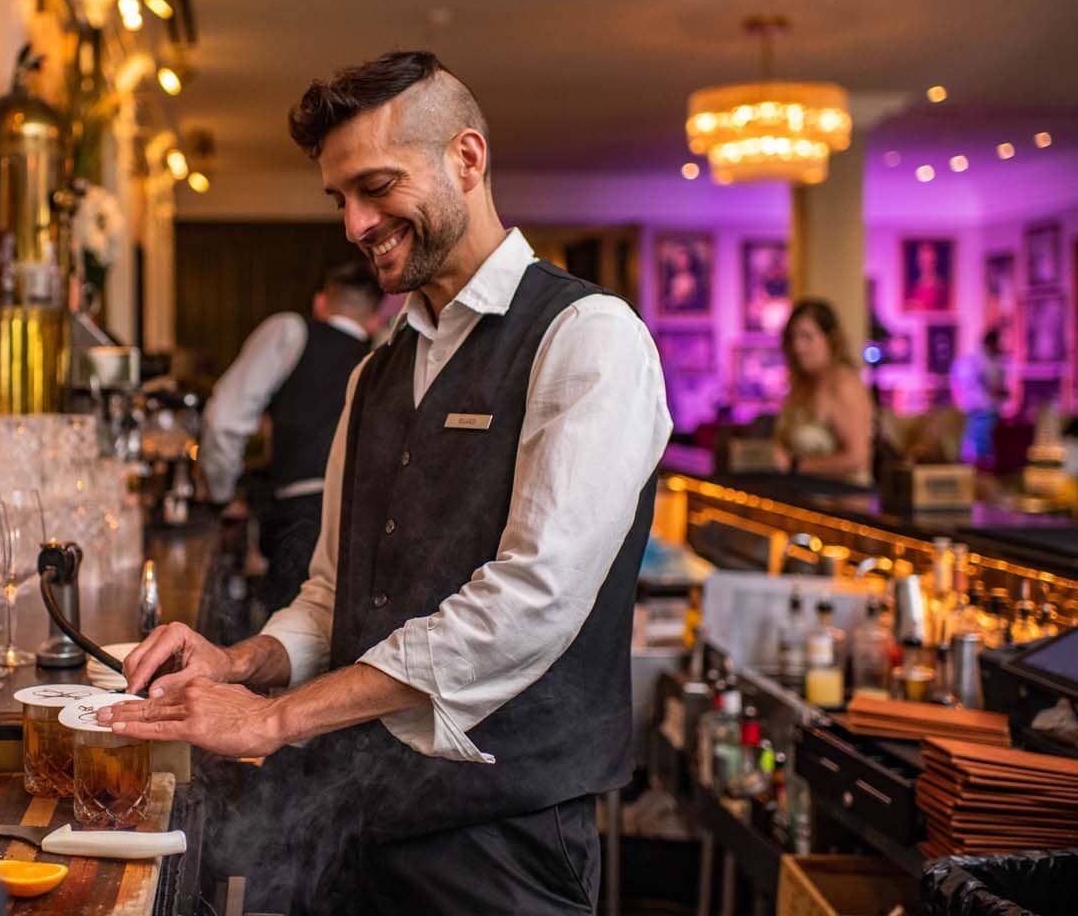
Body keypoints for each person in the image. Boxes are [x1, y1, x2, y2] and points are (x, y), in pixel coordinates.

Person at [99, 50, 671, 914]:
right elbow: (334, 595)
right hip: (352, 819)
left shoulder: (589, 337)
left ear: (467, 158)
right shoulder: (375, 372)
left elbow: (532, 599)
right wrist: (243, 661)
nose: (355, 224)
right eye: (340, 199)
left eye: (376, 187)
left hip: (501, 841)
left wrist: (276, 717)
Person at [199, 259, 384, 612]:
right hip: (367, 525)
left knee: (288, 637)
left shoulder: (291, 331)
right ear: (374, 320)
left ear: (320, 304)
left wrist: (220, 496)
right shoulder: (386, 355)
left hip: (302, 520)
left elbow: (224, 420)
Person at [773, 299, 874, 484]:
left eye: (807, 337)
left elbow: (857, 457)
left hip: (842, 496)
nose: (798, 347)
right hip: (802, 493)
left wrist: (795, 466)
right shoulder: (802, 384)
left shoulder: (844, 384)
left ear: (830, 339)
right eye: (793, 338)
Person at [950, 328, 1008, 466]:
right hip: (982, 408)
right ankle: (979, 467)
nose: (1001, 347)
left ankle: (978, 466)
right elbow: (982, 384)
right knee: (981, 444)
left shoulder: (988, 360)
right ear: (990, 343)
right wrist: (994, 392)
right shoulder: (978, 361)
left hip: (983, 408)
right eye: (998, 343)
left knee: (981, 442)